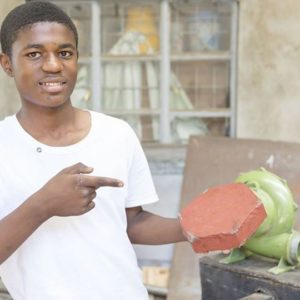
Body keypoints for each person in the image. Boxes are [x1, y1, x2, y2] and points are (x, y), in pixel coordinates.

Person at [0, 2, 187, 299]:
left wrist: (192, 228)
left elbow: (132, 222)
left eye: (65, 53)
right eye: (34, 54)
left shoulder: (117, 134)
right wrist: (44, 205)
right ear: (7, 64)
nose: (52, 65)